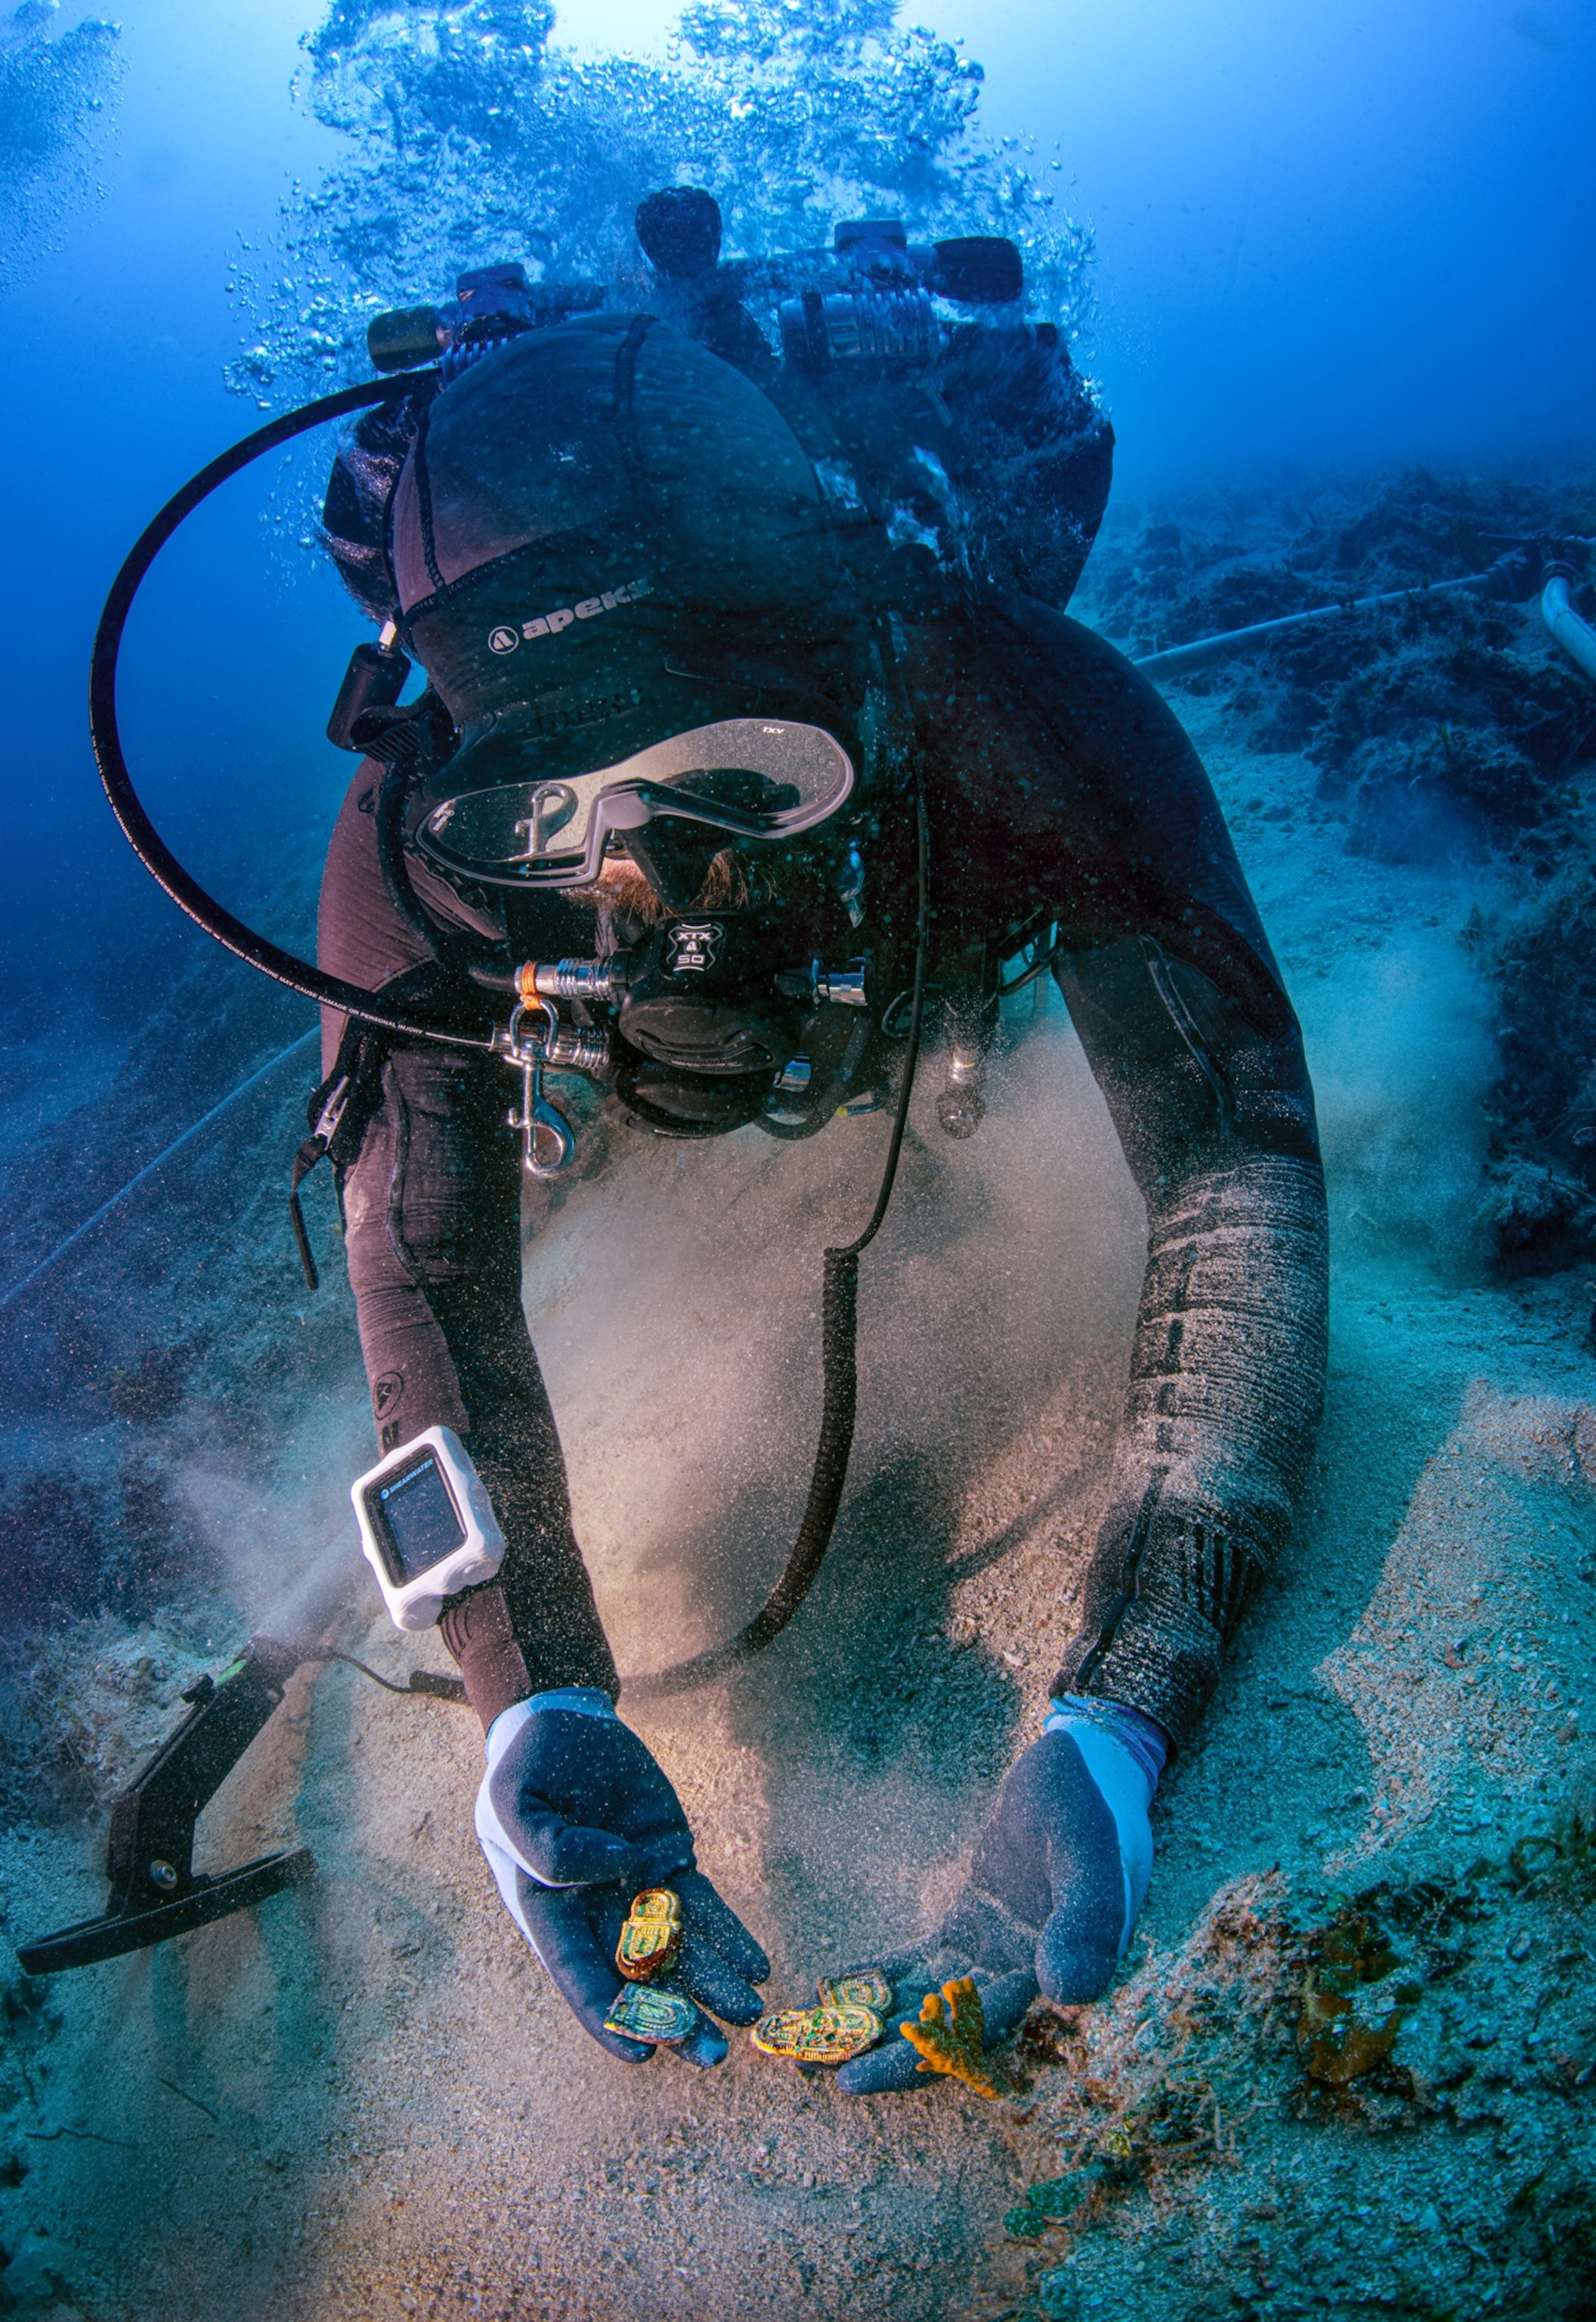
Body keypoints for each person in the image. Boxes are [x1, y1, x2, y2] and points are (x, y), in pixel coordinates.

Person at [310, 202, 1328, 2088]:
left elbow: (1230, 1156)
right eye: (557, 813)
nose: (651, 887)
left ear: (858, 679)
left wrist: (1125, 1708)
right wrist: (527, 1705)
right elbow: (422, 1268)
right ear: (466, 769)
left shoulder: (1013, 701)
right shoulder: (413, 859)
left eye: (739, 782)